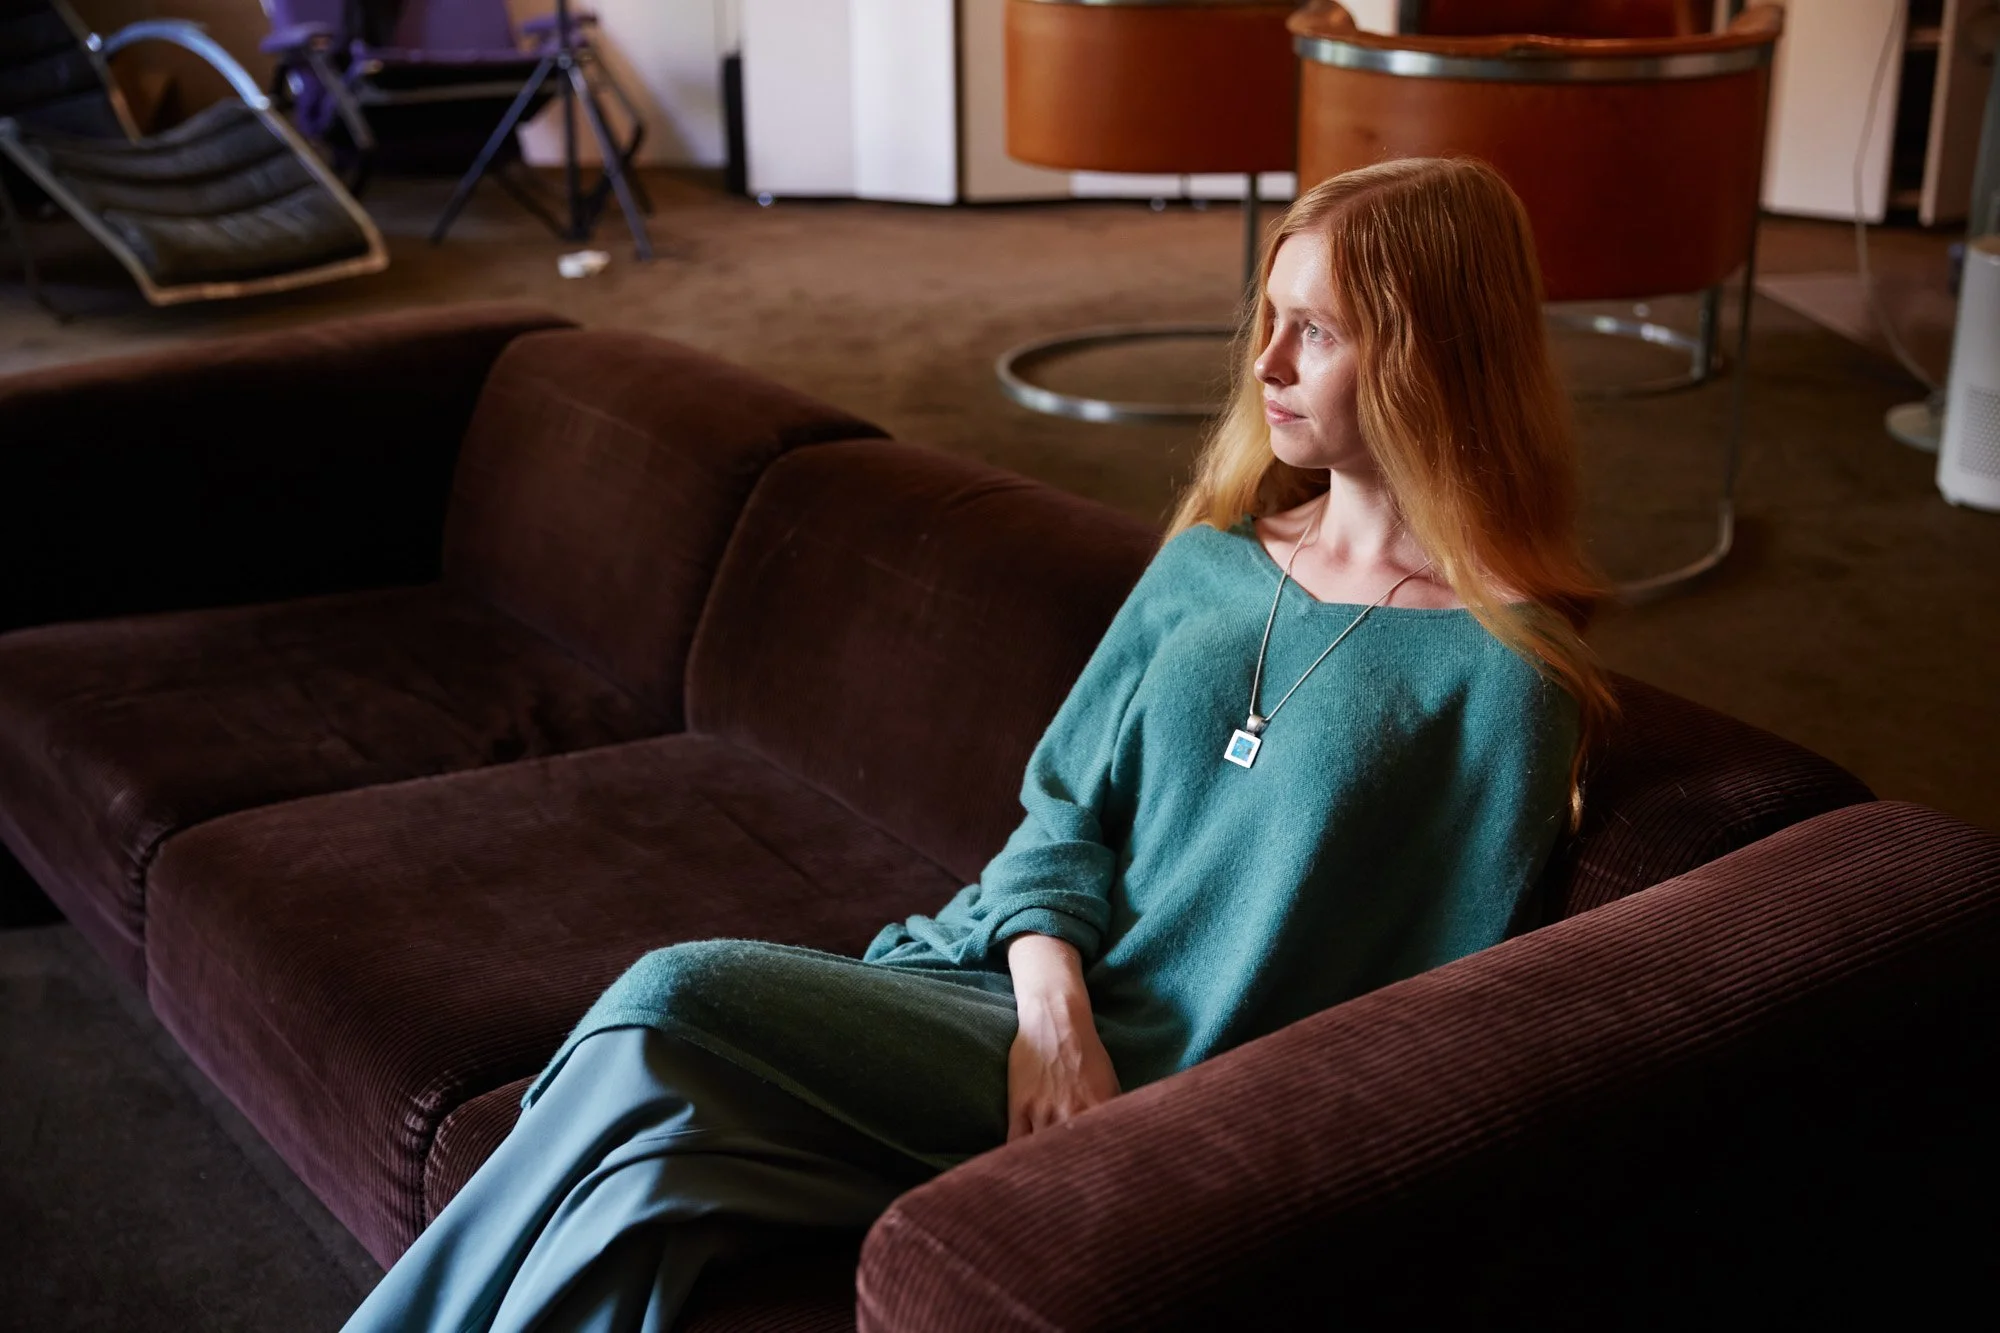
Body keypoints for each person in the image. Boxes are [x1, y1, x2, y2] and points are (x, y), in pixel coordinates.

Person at [341, 155, 1616, 1332]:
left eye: (1318, 331)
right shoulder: (1207, 564)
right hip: (1007, 999)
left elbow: (1436, 1017)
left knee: (669, 1007)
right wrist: (1050, 1008)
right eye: (1267, 317)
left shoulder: (1502, 679)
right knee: (647, 1181)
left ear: (1427, 354)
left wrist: (1194, 1143)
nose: (1265, 362)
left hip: (1175, 1094)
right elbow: (1058, 812)